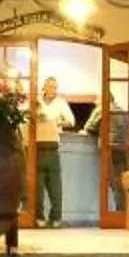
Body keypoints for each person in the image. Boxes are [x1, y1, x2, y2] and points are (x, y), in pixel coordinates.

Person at [32, 75, 77, 226]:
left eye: (55, 87)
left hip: (52, 145)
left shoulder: (60, 103)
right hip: (36, 146)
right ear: (43, 87)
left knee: (55, 186)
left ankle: (56, 218)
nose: (52, 89)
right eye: (50, 86)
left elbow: (71, 121)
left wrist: (57, 121)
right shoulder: (35, 101)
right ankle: (39, 217)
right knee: (37, 187)